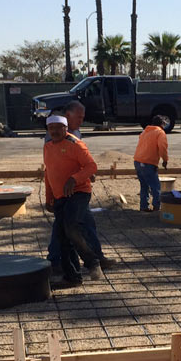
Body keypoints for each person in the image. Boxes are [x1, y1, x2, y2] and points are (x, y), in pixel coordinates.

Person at [45, 102, 114, 273]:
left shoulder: (74, 139)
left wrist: (78, 177)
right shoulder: (50, 143)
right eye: (79, 117)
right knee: (66, 229)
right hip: (62, 194)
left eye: (83, 117)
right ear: (68, 117)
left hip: (78, 192)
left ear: (64, 127)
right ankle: (67, 264)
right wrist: (49, 196)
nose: (82, 120)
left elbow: (89, 164)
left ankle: (92, 260)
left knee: (71, 227)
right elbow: (51, 170)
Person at [133, 115, 169, 212]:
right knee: (155, 186)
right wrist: (165, 160)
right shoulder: (160, 132)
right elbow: (162, 148)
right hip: (148, 162)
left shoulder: (145, 131)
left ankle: (143, 206)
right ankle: (156, 207)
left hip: (137, 161)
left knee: (144, 185)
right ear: (162, 124)